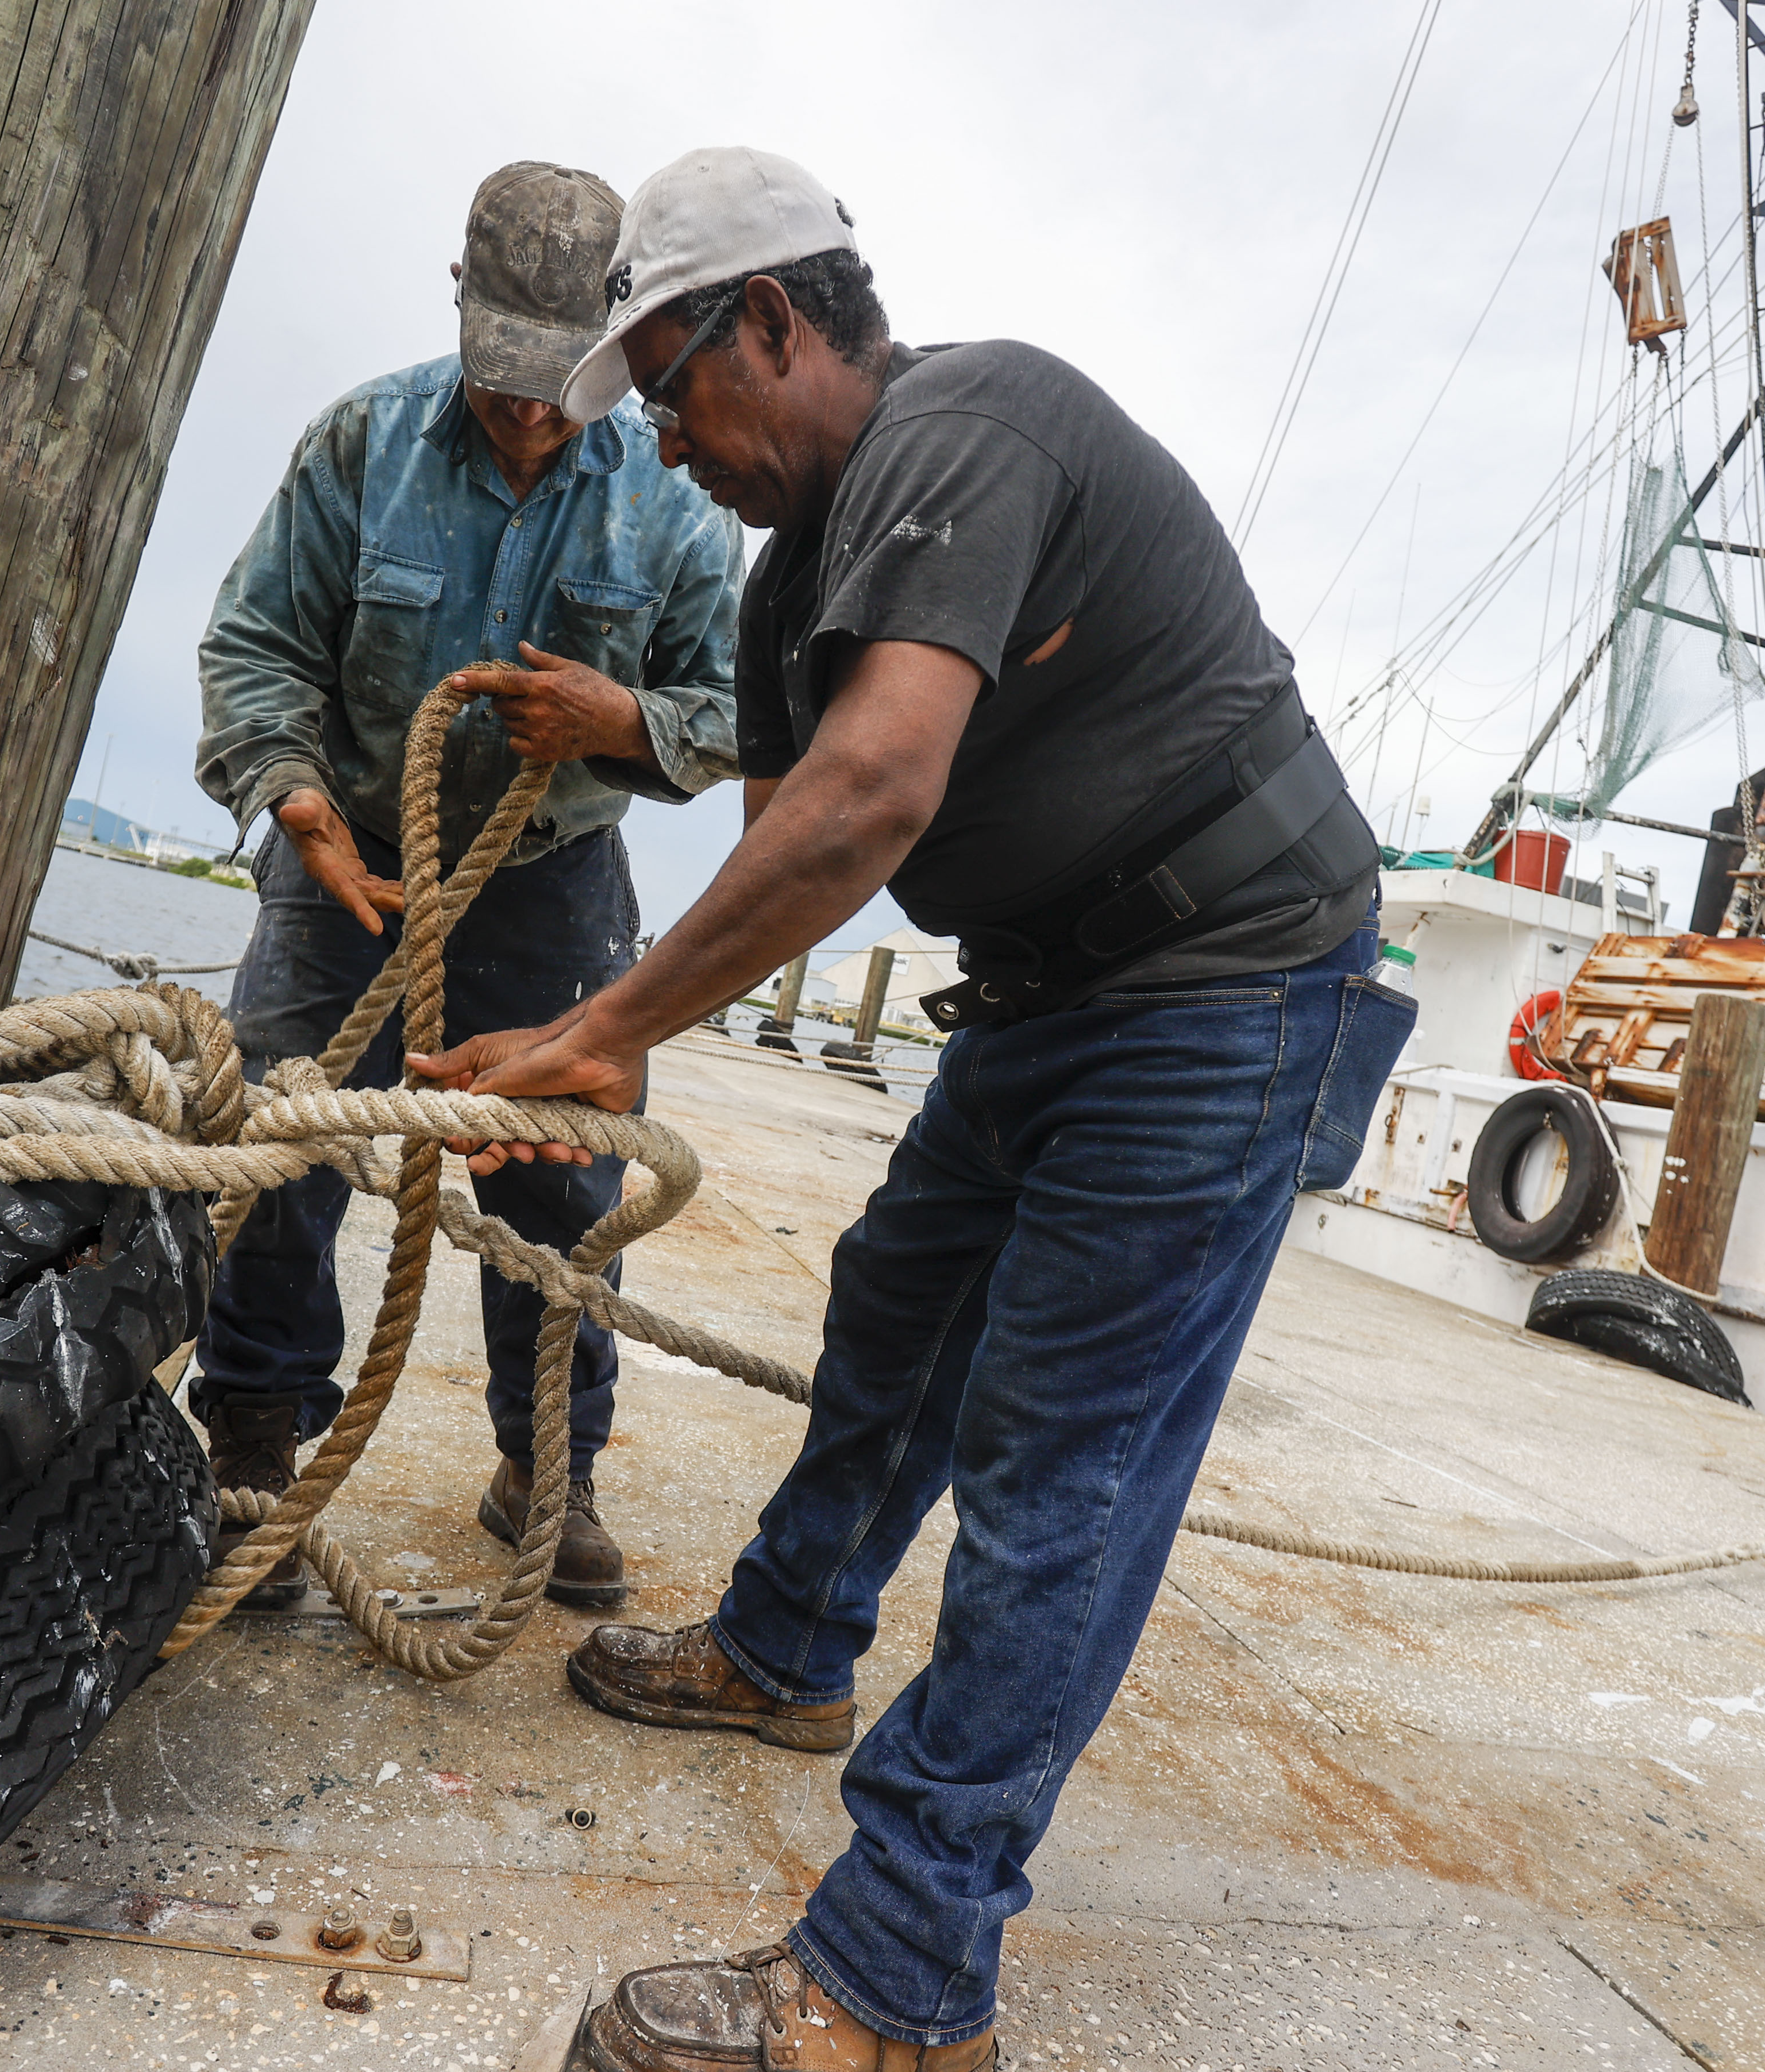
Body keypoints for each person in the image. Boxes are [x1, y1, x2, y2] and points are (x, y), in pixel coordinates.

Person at [410, 149, 1415, 2070]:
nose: (672, 448)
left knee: (1061, 1464)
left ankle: (896, 1971)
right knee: (895, 1306)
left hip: (1225, 986)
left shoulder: (974, 420)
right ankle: (788, 1645)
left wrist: (609, 1023)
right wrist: (604, 1033)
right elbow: (791, 813)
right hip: (1054, 993)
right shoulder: (808, 570)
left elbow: (870, 797)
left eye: (675, 387)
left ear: (770, 322)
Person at [189, 160, 742, 1608]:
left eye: (565, 385)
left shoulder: (678, 508)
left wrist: (621, 725)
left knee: (562, 1184)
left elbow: (747, 706)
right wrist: (293, 796)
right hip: (348, 862)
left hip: (554, 877)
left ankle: (546, 1467)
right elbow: (256, 647)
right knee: (287, 1144)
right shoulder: (360, 443)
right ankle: (253, 1452)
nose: (533, 412)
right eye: (507, 379)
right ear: (461, 311)